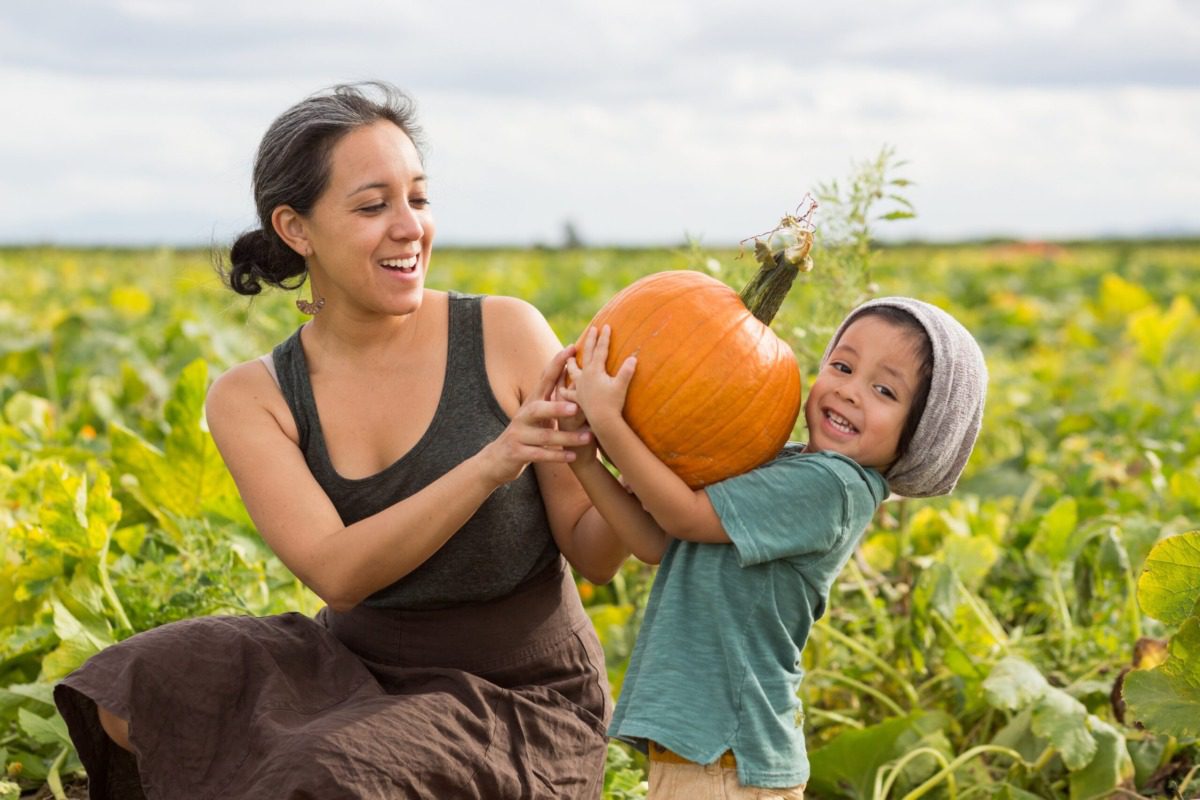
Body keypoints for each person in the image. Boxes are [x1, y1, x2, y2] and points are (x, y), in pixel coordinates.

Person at [53, 81, 629, 799]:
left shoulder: (506, 332)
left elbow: (596, 553)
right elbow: (339, 574)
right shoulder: (253, 396)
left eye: (417, 199)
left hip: (520, 696)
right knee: (130, 683)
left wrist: (638, 454)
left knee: (323, 773)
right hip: (353, 666)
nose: (409, 227)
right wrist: (493, 462)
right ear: (297, 229)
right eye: (372, 205)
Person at [558, 297, 988, 798]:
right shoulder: (784, 464)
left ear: (919, 436)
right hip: (708, 755)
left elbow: (685, 515)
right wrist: (587, 460)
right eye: (842, 366)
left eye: (884, 390)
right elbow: (658, 542)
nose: (849, 392)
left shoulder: (833, 487)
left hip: (729, 762)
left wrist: (610, 420)